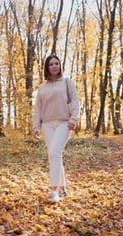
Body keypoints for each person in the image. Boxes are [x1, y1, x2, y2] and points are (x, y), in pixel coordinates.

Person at [32, 54, 80, 203]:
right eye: (51, 64)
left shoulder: (67, 82)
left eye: (56, 63)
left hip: (64, 124)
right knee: (55, 155)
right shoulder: (42, 87)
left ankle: (54, 191)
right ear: (47, 67)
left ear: (60, 66)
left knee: (54, 152)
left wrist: (73, 119)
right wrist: (36, 126)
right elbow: (38, 109)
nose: (54, 66)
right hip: (47, 125)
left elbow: (75, 102)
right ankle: (63, 187)